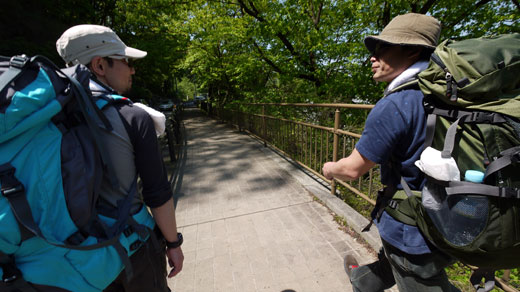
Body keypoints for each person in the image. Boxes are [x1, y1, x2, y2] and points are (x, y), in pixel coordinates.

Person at [322, 13, 460, 292]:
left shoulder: (396, 104)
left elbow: (351, 170)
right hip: (452, 215)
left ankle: (361, 281)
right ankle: (361, 281)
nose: (372, 58)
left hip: (412, 230)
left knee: (414, 273)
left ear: (411, 50)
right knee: (392, 264)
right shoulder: (448, 93)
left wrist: (328, 168)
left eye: (382, 48)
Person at [56, 24, 184, 291]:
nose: (132, 69)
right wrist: (173, 244)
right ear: (100, 65)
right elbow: (157, 193)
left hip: (72, 259)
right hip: (132, 250)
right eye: (125, 61)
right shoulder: (132, 116)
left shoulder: (50, 116)